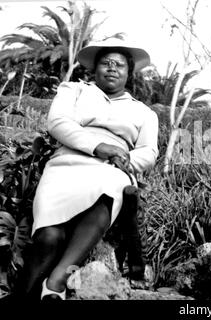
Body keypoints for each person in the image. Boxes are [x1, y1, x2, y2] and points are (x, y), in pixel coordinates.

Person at [19, 39, 158, 300]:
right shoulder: (74, 91)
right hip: (67, 163)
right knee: (49, 237)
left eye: (119, 65)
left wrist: (123, 159)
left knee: (110, 188)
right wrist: (97, 146)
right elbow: (58, 123)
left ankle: (57, 282)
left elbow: (149, 152)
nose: (112, 68)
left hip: (113, 168)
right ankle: (25, 294)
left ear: (129, 72)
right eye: (106, 63)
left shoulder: (144, 112)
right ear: (95, 68)